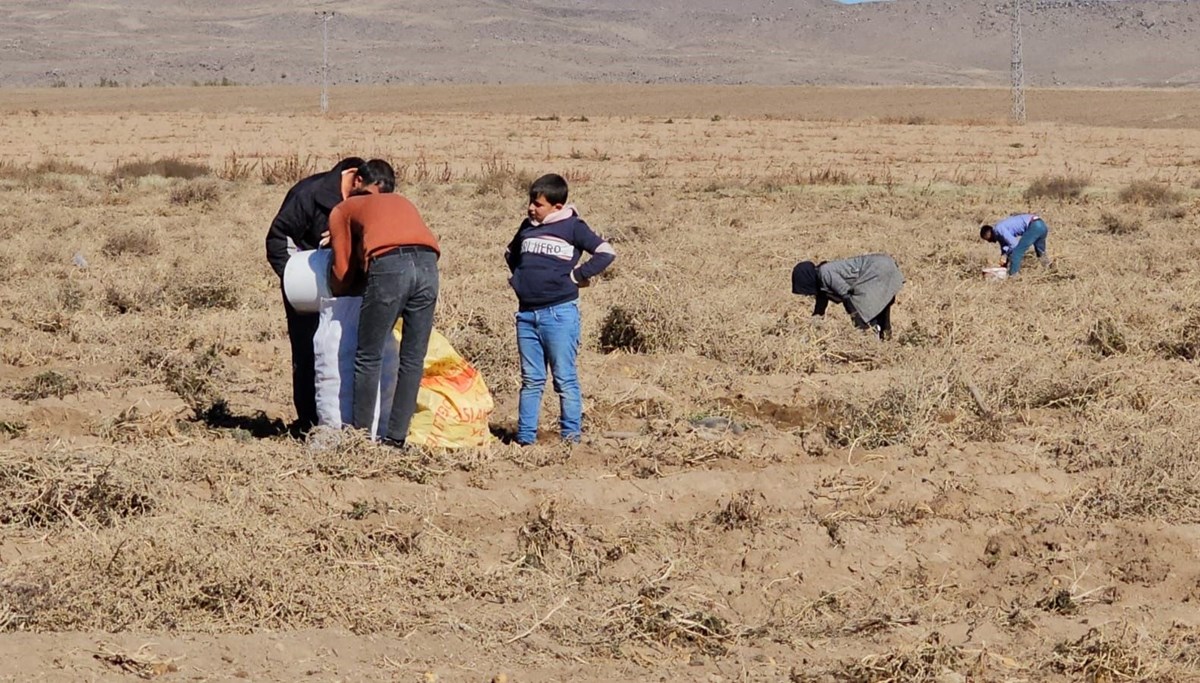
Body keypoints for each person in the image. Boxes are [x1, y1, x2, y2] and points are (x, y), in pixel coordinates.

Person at [328, 159, 441, 448]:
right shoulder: (403, 202)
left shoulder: (344, 209)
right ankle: (396, 439)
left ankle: (361, 439)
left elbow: (341, 272)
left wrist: (340, 283)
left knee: (369, 355)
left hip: (390, 267)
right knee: (413, 359)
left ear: (358, 183)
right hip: (429, 266)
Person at [505, 173, 616, 445]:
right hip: (526, 315)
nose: (532, 208)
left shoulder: (573, 226)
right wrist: (520, 279)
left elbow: (606, 252)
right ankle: (525, 439)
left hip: (559, 314)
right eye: (531, 201)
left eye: (538, 204)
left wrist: (577, 277)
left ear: (557, 206)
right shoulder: (527, 227)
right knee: (531, 381)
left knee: (564, 379)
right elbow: (511, 253)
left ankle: (570, 440)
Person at [265, 156, 364, 434]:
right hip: (306, 287)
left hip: (348, 288)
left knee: (348, 350)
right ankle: (310, 423)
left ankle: (349, 421)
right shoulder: (308, 194)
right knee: (308, 353)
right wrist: (295, 275)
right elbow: (277, 238)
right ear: (355, 177)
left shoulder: (363, 199)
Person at [791, 254, 904, 340]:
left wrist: (860, 325)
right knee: (874, 305)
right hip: (882, 264)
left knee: (861, 306)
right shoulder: (821, 280)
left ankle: (873, 339)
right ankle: (885, 336)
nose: (806, 295)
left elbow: (847, 296)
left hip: (878, 269)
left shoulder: (825, 273)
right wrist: (810, 330)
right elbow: (819, 310)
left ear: (806, 280)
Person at [980, 213, 1051, 276]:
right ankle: (1050, 270)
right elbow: (1005, 247)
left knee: (1016, 253)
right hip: (1041, 225)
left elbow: (1014, 244)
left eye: (988, 239)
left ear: (988, 234)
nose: (990, 242)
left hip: (1034, 226)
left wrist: (1005, 255)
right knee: (1041, 253)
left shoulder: (998, 229)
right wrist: (1004, 264)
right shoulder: (999, 231)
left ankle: (1013, 278)